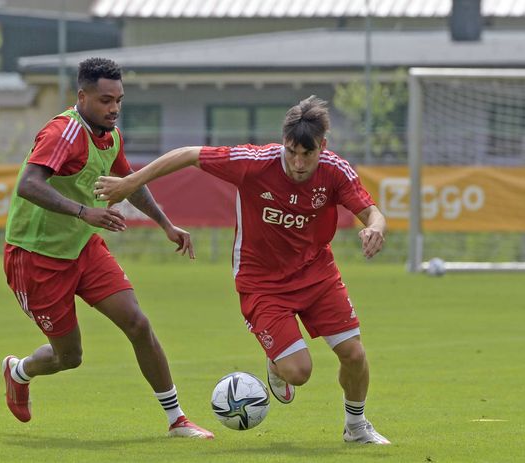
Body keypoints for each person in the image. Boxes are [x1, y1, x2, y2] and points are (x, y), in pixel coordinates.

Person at [94, 96, 390, 445]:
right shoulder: (254, 162)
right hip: (261, 284)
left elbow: (372, 212)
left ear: (322, 147)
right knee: (299, 372)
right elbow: (189, 153)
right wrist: (130, 183)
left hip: (317, 275)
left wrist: (376, 228)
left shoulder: (335, 170)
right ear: (284, 143)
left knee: (353, 354)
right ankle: (278, 363)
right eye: (291, 151)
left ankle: (356, 427)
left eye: (306, 155)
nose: (297, 163)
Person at [1, 57, 213, 439]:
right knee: (70, 357)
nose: (114, 108)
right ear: (82, 96)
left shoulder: (109, 134)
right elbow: (28, 184)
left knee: (138, 322)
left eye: (119, 99)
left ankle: (176, 419)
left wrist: (165, 224)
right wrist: (85, 212)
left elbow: (129, 180)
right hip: (36, 258)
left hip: (83, 248)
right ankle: (19, 371)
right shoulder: (63, 132)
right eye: (104, 100)